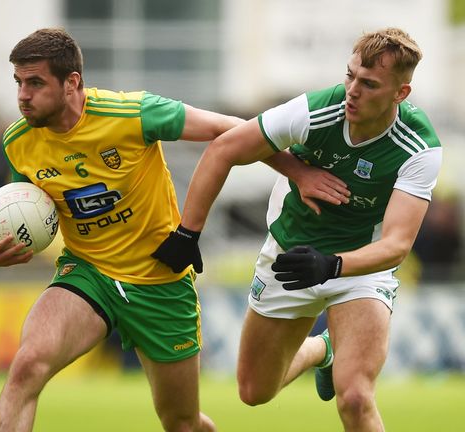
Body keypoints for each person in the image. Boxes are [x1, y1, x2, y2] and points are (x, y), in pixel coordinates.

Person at [0, 28, 347, 432]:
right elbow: (28, 216)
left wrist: (298, 173)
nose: (22, 96)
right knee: (27, 366)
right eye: (18, 83)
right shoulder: (18, 143)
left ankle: (322, 351)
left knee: (181, 423)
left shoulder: (131, 114)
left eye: (35, 83)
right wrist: (1, 248)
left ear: (72, 83)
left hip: (161, 281)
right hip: (88, 275)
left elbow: (231, 130)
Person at [153, 28, 442, 431]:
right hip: (289, 255)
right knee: (254, 391)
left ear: (400, 94)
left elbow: (396, 245)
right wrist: (189, 232)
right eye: (350, 75)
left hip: (359, 269)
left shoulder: (419, 147)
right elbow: (225, 149)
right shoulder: (316, 110)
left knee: (356, 398)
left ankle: (337, 358)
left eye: (369, 84)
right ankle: (322, 351)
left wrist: (333, 266)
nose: (352, 91)